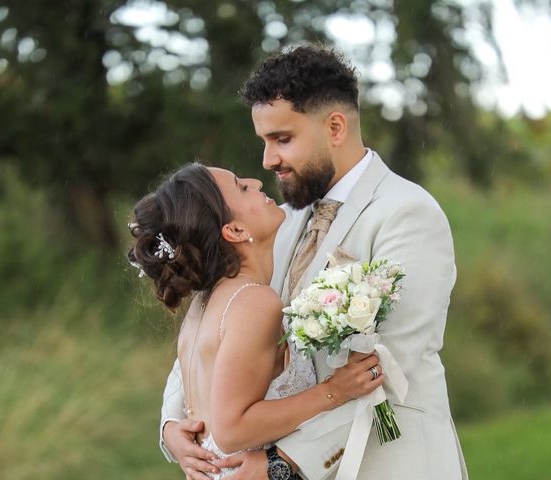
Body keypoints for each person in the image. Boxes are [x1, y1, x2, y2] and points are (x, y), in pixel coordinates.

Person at [161, 45, 469, 479]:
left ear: (336, 127)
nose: (268, 160)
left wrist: (281, 463)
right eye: (264, 141)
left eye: (282, 139)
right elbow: (217, 329)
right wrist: (175, 423)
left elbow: (392, 366)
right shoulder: (277, 222)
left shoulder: (407, 213)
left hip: (390, 463)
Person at [128, 163, 384, 480]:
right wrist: (333, 391)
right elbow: (231, 430)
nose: (254, 181)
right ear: (235, 231)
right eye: (241, 187)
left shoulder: (206, 302)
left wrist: (170, 427)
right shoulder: (253, 302)